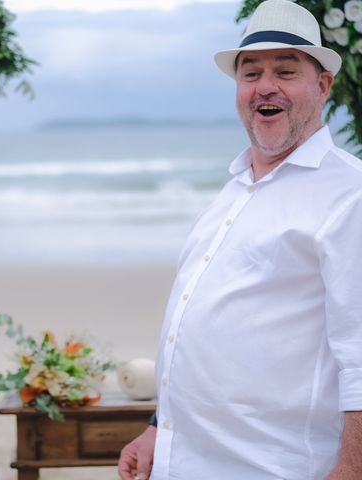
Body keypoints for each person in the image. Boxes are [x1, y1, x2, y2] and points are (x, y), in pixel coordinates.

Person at [118, 1, 362, 479]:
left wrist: (352, 468)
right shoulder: (233, 192)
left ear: (323, 86)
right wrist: (157, 429)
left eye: (285, 71)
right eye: (251, 73)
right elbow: (201, 332)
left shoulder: (350, 194)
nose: (265, 86)